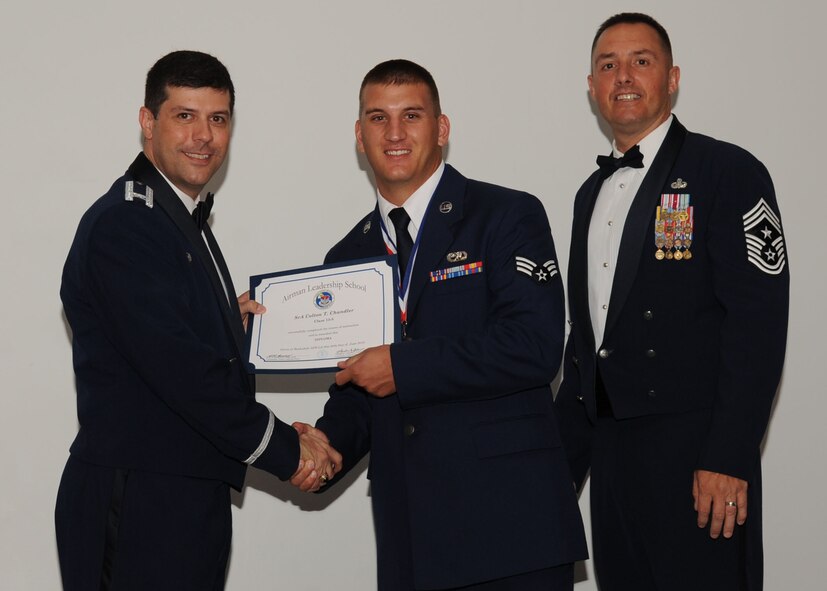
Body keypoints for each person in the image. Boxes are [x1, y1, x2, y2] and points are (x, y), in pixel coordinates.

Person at [292, 59, 587, 590]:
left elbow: (535, 346)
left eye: (412, 115)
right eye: (378, 119)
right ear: (360, 136)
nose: (396, 133)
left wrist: (402, 367)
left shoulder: (506, 215)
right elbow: (363, 385)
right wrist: (321, 447)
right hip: (410, 537)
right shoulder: (348, 255)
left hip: (512, 529)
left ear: (441, 128)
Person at [56, 50, 340, 591]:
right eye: (184, 115)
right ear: (148, 121)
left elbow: (158, 337)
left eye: (218, 118)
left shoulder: (174, 217)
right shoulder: (127, 225)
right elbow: (184, 374)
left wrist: (221, 322)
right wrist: (287, 449)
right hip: (141, 502)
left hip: (180, 495)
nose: (203, 136)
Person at [554, 13, 789, 590]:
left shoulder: (728, 170)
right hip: (612, 461)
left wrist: (730, 455)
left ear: (673, 77)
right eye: (608, 65)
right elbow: (586, 346)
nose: (624, 76)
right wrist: (554, 472)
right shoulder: (589, 195)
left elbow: (757, 323)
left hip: (697, 457)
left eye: (642, 61)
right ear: (592, 86)